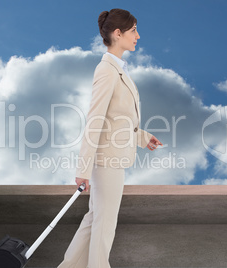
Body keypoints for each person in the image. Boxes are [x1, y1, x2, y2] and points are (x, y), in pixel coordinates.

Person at [58, 8, 162, 268]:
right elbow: (95, 120)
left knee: (96, 219)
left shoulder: (119, 70)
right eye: (134, 30)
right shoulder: (106, 71)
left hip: (113, 157)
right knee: (105, 224)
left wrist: (142, 137)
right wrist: (83, 168)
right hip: (107, 161)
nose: (138, 35)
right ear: (118, 34)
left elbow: (118, 117)